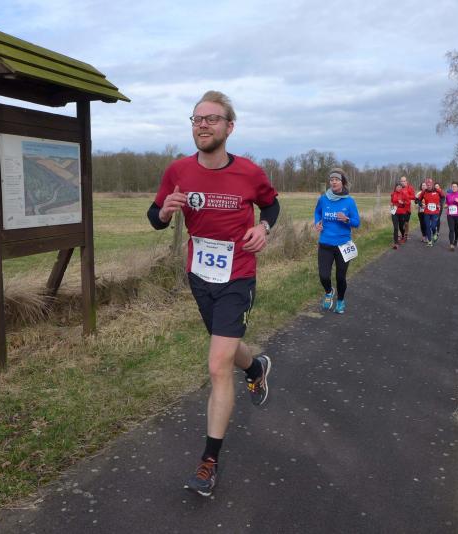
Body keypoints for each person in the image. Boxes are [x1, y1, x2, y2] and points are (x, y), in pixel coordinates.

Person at [147, 90, 280, 497]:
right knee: (228, 349)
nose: (202, 125)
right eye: (197, 118)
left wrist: (263, 228)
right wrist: (164, 212)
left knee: (217, 364)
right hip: (200, 277)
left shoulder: (250, 173)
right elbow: (155, 217)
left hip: (238, 276)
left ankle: (208, 462)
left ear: (229, 127)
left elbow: (271, 206)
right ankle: (255, 368)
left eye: (212, 118)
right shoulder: (178, 170)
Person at [313, 168, 361, 314]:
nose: (333, 182)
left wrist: (346, 219)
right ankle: (329, 292)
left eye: (337, 180)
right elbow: (317, 212)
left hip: (343, 244)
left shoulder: (349, 201)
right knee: (323, 276)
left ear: (342, 182)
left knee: (340, 277)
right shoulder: (323, 199)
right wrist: (317, 223)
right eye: (331, 180)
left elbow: (357, 222)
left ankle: (340, 301)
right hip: (325, 243)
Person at [416, 178, 445, 246]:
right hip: (427, 212)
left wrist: (440, 204)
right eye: (427, 185)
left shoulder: (437, 191)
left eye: (430, 185)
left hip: (435, 212)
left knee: (433, 226)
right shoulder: (424, 192)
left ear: (432, 184)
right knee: (427, 226)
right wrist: (421, 204)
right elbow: (418, 200)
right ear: (426, 185)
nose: (429, 186)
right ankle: (429, 241)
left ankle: (435, 233)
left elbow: (443, 197)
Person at [390, 182, 408, 249]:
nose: (398, 188)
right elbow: (392, 201)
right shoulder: (393, 194)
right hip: (394, 212)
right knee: (395, 227)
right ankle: (396, 243)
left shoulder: (404, 194)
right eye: (397, 187)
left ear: (401, 188)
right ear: (395, 188)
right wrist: (391, 204)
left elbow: (408, 202)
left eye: (400, 187)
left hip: (402, 212)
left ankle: (403, 235)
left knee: (401, 226)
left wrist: (402, 202)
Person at [398, 176, 416, 241]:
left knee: (406, 223)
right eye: (401, 181)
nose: (403, 182)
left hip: (407, 209)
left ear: (406, 181)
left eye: (404, 181)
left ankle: (406, 234)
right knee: (400, 222)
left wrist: (407, 196)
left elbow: (413, 197)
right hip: (400, 209)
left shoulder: (410, 188)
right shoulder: (399, 188)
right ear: (400, 182)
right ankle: (401, 234)